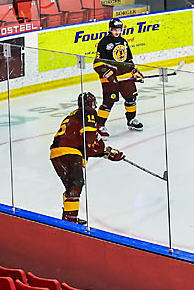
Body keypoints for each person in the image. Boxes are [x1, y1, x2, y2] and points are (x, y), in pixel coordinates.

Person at [50, 93, 123, 226]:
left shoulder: (73, 115)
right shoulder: (88, 112)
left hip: (58, 153)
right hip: (69, 152)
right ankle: (70, 220)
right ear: (91, 103)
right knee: (76, 184)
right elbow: (89, 140)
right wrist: (104, 151)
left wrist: (106, 153)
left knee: (72, 186)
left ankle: (69, 217)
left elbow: (85, 144)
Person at [93, 17, 144, 132]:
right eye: (115, 30)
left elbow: (129, 60)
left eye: (119, 30)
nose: (117, 32)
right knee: (109, 101)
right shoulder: (104, 42)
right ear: (110, 29)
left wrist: (134, 71)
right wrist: (108, 75)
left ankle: (131, 120)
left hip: (125, 76)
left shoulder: (123, 42)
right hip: (110, 78)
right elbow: (97, 64)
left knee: (131, 98)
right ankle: (99, 125)